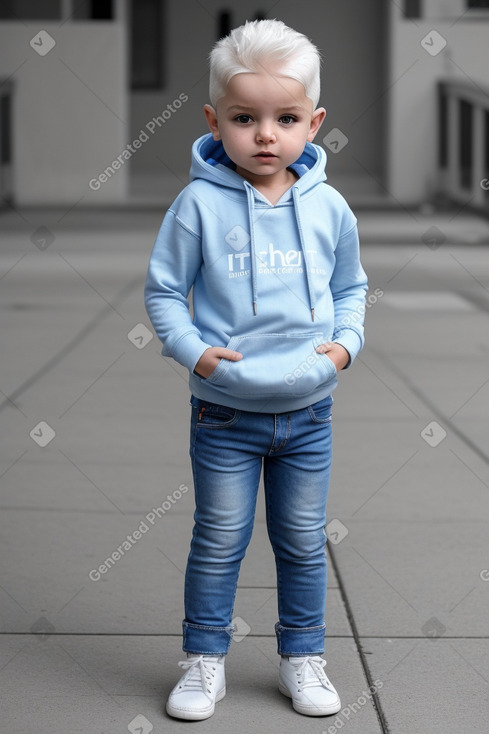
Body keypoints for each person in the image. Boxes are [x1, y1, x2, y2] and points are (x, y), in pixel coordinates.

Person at [144, 18, 368, 721]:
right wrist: (193, 350)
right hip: (225, 413)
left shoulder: (329, 208)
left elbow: (350, 287)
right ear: (215, 120)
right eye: (245, 119)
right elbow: (161, 291)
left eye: (285, 118)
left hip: (308, 413)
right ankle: (203, 662)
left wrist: (344, 343)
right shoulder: (197, 207)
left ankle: (302, 659)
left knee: (303, 542)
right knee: (218, 538)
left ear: (314, 123)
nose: (264, 135)